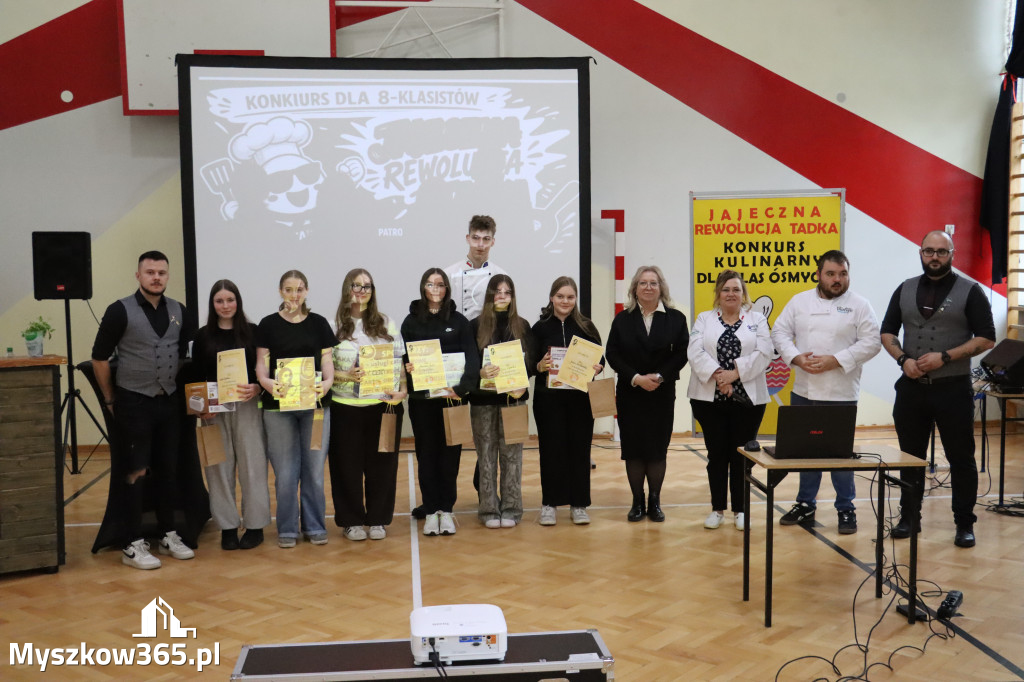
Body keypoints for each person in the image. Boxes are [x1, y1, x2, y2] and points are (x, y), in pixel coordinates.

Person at [880, 230, 995, 548]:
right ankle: (909, 517)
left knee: (961, 459)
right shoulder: (904, 288)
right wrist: (903, 359)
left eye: (941, 252)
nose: (934, 257)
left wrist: (945, 357)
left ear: (952, 254)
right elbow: (887, 331)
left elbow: (987, 337)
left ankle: (964, 523)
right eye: (929, 251)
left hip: (953, 390)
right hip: (912, 389)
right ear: (920, 253)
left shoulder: (971, 291)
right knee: (909, 457)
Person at [91, 250, 196, 570]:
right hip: (133, 402)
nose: (156, 278)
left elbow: (185, 354)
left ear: (168, 276)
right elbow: (99, 358)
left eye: (161, 273)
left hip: (169, 402)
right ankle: (132, 542)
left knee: (168, 470)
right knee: (135, 472)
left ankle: (168, 533)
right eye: (150, 272)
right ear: (138, 275)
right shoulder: (119, 310)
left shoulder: (179, 310)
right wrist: (110, 399)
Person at [771, 251, 881, 534]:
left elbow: (872, 342)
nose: (837, 280)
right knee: (807, 453)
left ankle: (846, 508)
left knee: (840, 456)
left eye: (842, 274)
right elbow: (779, 332)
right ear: (818, 275)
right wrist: (796, 358)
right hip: (804, 391)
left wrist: (837, 360)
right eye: (831, 274)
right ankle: (805, 504)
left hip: (841, 393)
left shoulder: (860, 305)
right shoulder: (800, 301)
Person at [255, 270, 336, 548]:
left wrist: (328, 382)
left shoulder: (319, 323)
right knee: (286, 473)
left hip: (315, 408)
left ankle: (314, 526)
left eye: (299, 289)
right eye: (288, 289)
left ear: (306, 291)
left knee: (314, 471)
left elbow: (327, 360)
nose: (294, 295)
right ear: (280, 292)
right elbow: (261, 363)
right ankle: (287, 529)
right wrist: (265, 381)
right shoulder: (267, 324)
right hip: (278, 409)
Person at [687, 270, 772, 530]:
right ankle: (717, 509)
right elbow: (694, 351)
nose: (731, 294)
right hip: (709, 400)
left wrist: (734, 374)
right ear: (718, 293)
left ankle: (741, 510)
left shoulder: (757, 319)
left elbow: (765, 352)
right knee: (716, 456)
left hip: (748, 401)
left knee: (741, 456)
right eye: (726, 289)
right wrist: (719, 376)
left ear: (743, 293)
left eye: (736, 289)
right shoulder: (704, 318)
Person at [606, 266, 689, 523]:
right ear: (635, 288)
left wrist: (660, 377)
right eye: (643, 283)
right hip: (631, 393)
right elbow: (612, 354)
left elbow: (682, 353)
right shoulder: (622, 319)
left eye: (653, 283)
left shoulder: (676, 318)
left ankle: (654, 501)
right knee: (633, 449)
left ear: (661, 288)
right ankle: (637, 502)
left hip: (661, 393)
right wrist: (636, 378)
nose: (648, 287)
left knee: (657, 449)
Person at [328, 268, 407, 542]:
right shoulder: (332, 325)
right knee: (346, 467)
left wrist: (403, 391)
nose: (362, 291)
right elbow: (325, 370)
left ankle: (377, 519)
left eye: (367, 286)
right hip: (344, 407)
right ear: (346, 289)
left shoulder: (386, 323)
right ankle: (351, 521)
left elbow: (399, 363)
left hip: (383, 406)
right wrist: (345, 375)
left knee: (382, 466)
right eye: (356, 285)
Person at [191, 280, 270, 550]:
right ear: (212, 304)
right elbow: (195, 376)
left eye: (230, 300)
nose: (225, 306)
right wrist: (200, 406)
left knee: (252, 466)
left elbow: (263, 371)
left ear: (238, 301)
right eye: (219, 301)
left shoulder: (254, 332)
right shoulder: (202, 336)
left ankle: (255, 525)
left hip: (248, 407)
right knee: (217, 468)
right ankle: (227, 527)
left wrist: (257, 387)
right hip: (213, 411)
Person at [401, 268, 480, 536]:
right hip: (422, 401)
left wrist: (461, 390)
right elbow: (403, 357)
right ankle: (431, 508)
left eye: (440, 284)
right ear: (423, 288)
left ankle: (446, 509)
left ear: (447, 289)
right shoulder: (411, 321)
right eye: (430, 284)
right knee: (426, 454)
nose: (435, 289)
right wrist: (408, 367)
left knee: (450, 455)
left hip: (452, 400)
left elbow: (472, 359)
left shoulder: (459, 321)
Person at [532, 276, 603, 526]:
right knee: (550, 451)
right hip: (548, 401)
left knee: (580, 451)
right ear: (552, 298)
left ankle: (579, 504)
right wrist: (539, 365)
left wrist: (597, 367)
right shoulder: (539, 328)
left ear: (576, 299)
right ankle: (549, 504)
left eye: (570, 297)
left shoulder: (587, 327)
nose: (565, 301)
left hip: (580, 401)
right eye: (560, 296)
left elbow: (600, 359)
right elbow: (529, 363)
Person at [469, 274, 534, 528]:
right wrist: (480, 372)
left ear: (513, 296)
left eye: (507, 292)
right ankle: (488, 510)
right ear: (489, 295)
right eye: (498, 292)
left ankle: (512, 509)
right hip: (483, 402)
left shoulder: (522, 325)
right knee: (486, 456)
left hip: (513, 401)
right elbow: (469, 363)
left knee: (513, 457)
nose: (502, 296)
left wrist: (523, 379)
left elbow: (530, 362)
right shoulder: (475, 326)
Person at [445, 215, 507, 320]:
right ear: (468, 239)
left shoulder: (501, 276)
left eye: (486, 239)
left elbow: (504, 315)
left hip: (488, 330)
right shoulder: (449, 274)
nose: (480, 244)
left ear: (492, 242)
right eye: (475, 238)